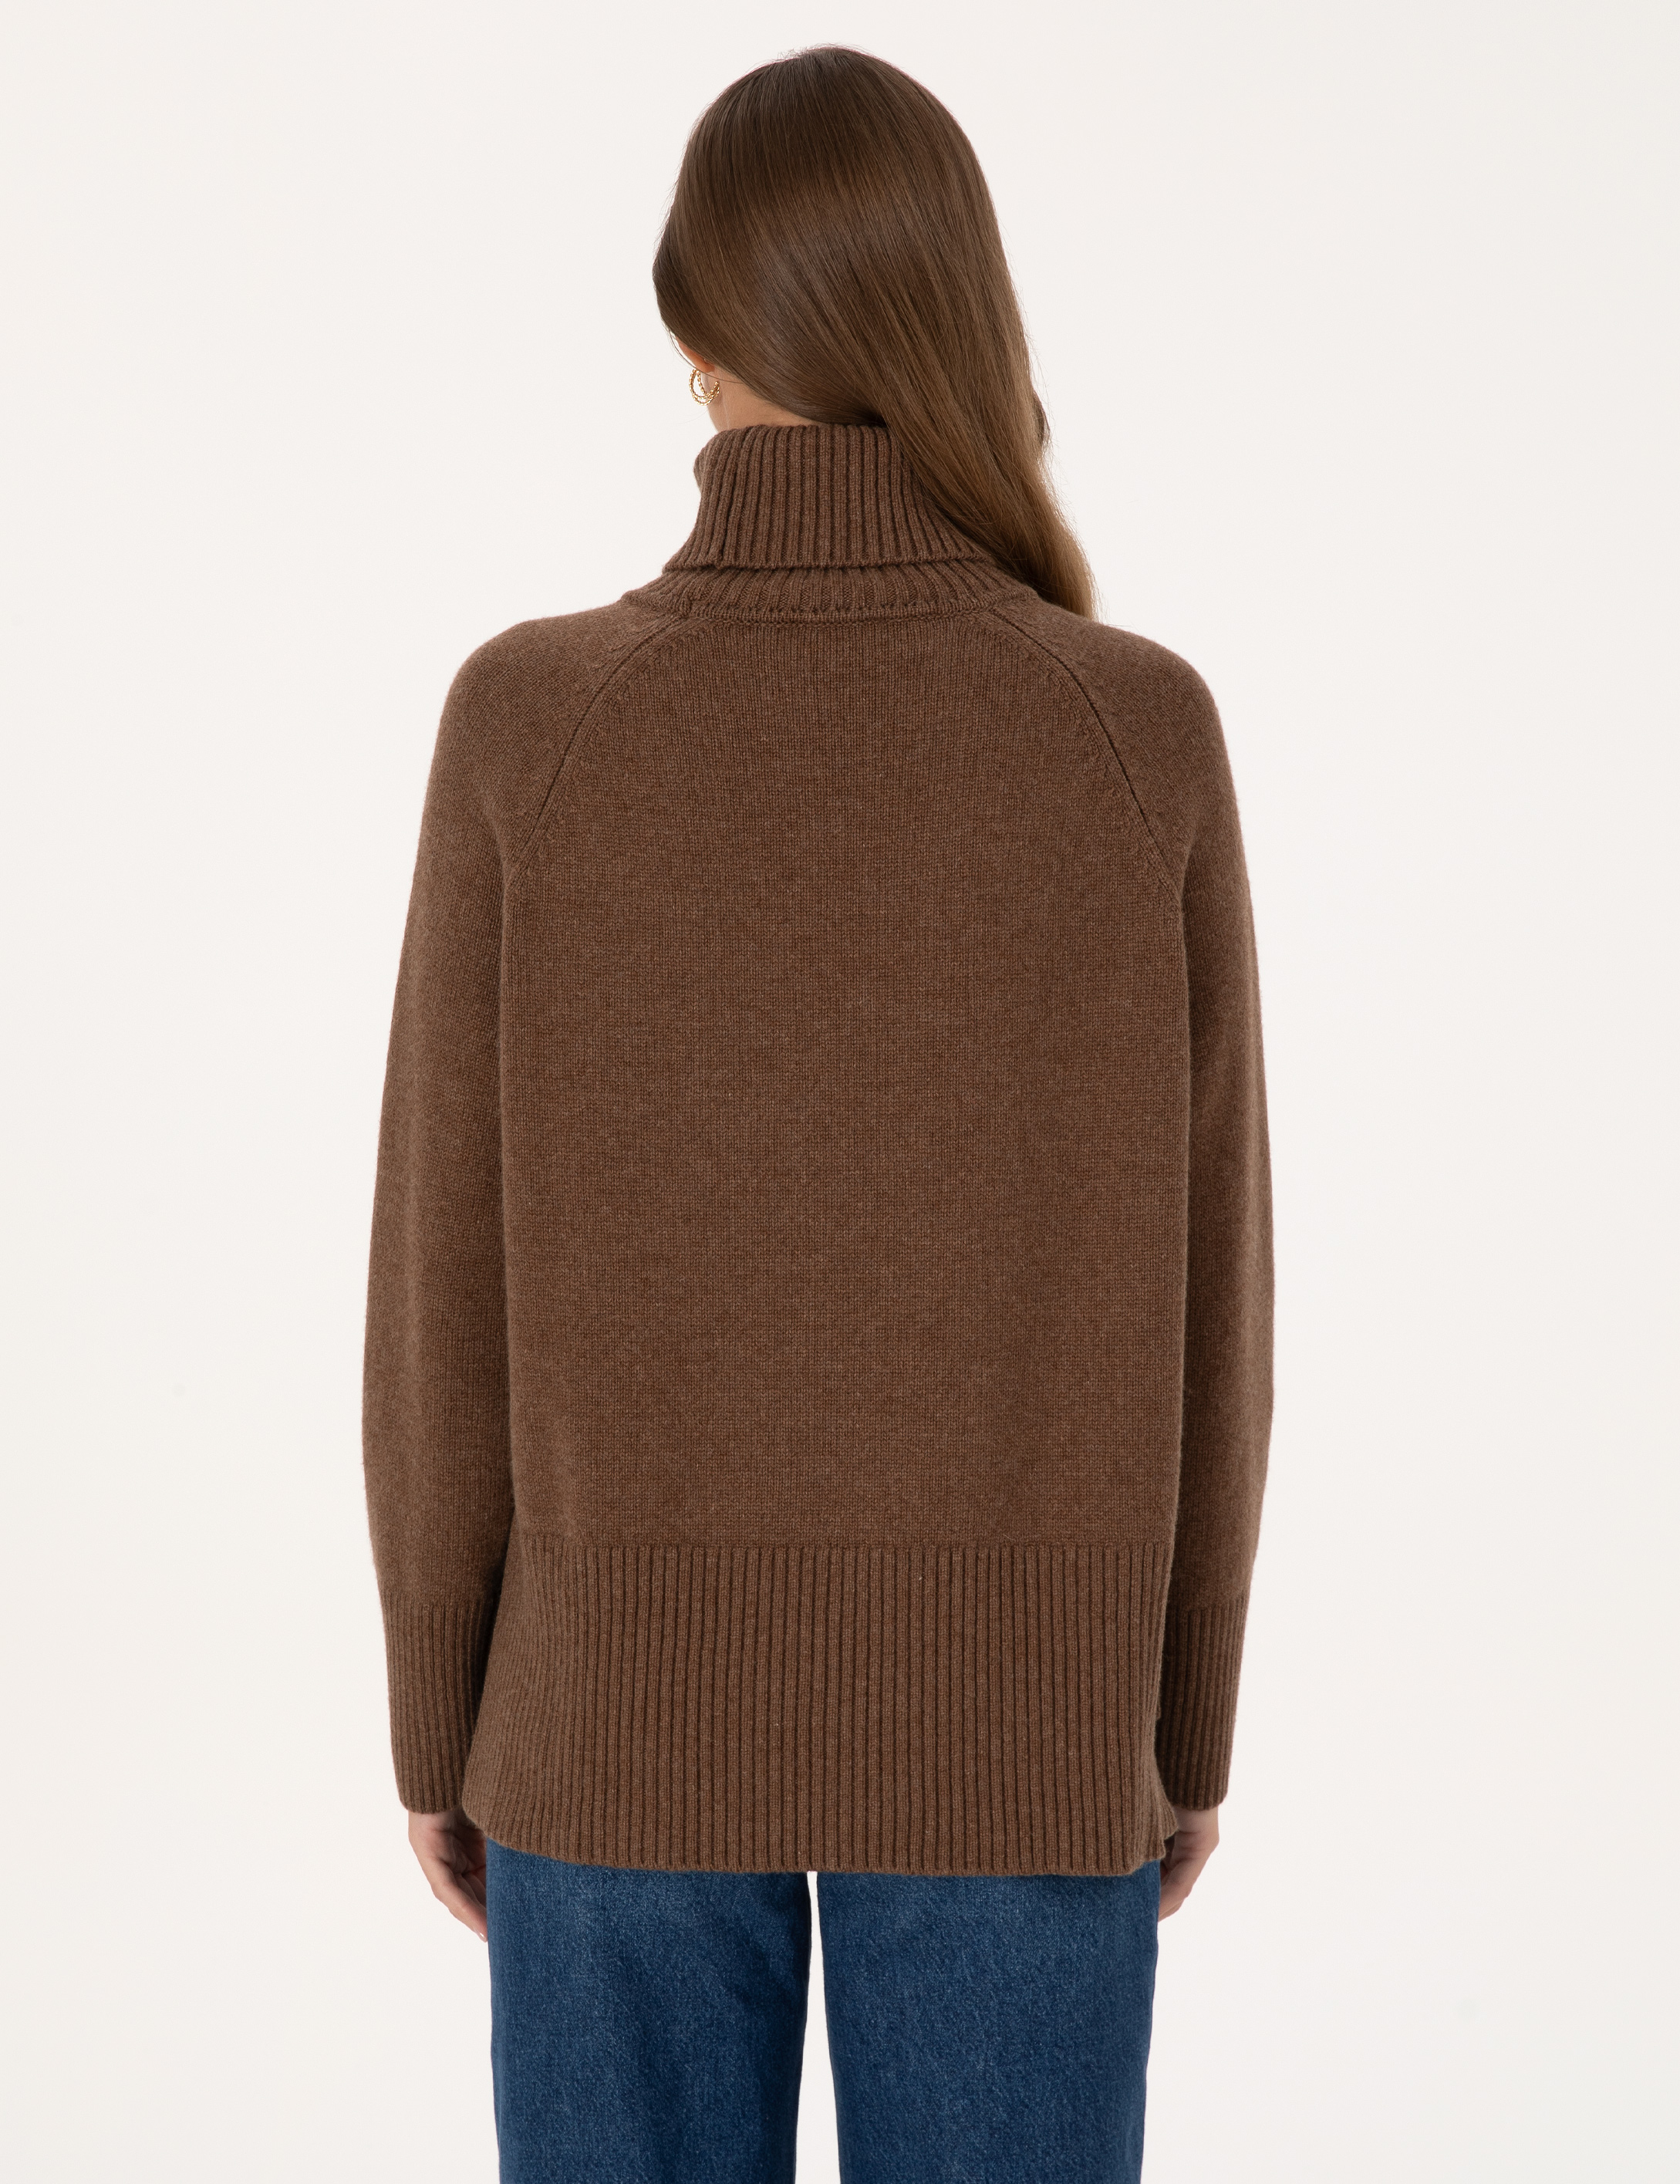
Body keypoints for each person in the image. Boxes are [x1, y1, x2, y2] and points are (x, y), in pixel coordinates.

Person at [362, 44, 1272, 2184]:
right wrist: (1174, 1718)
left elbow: (441, 1284)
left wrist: (441, 1708)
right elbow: (1212, 1296)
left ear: (690, 332)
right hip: (1022, 1728)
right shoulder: (1129, 731)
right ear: (960, 315)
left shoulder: (532, 722)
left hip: (601, 1725)